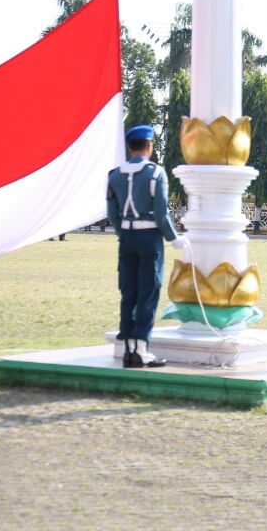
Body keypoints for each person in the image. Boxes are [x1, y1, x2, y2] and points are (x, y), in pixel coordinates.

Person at [107, 125, 185, 369]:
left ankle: (129, 348)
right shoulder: (155, 173)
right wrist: (174, 238)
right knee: (148, 292)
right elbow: (161, 214)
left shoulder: (114, 174)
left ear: (130, 147)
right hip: (149, 237)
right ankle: (141, 347)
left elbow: (112, 213)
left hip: (127, 237)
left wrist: (123, 232)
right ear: (149, 147)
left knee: (128, 291)